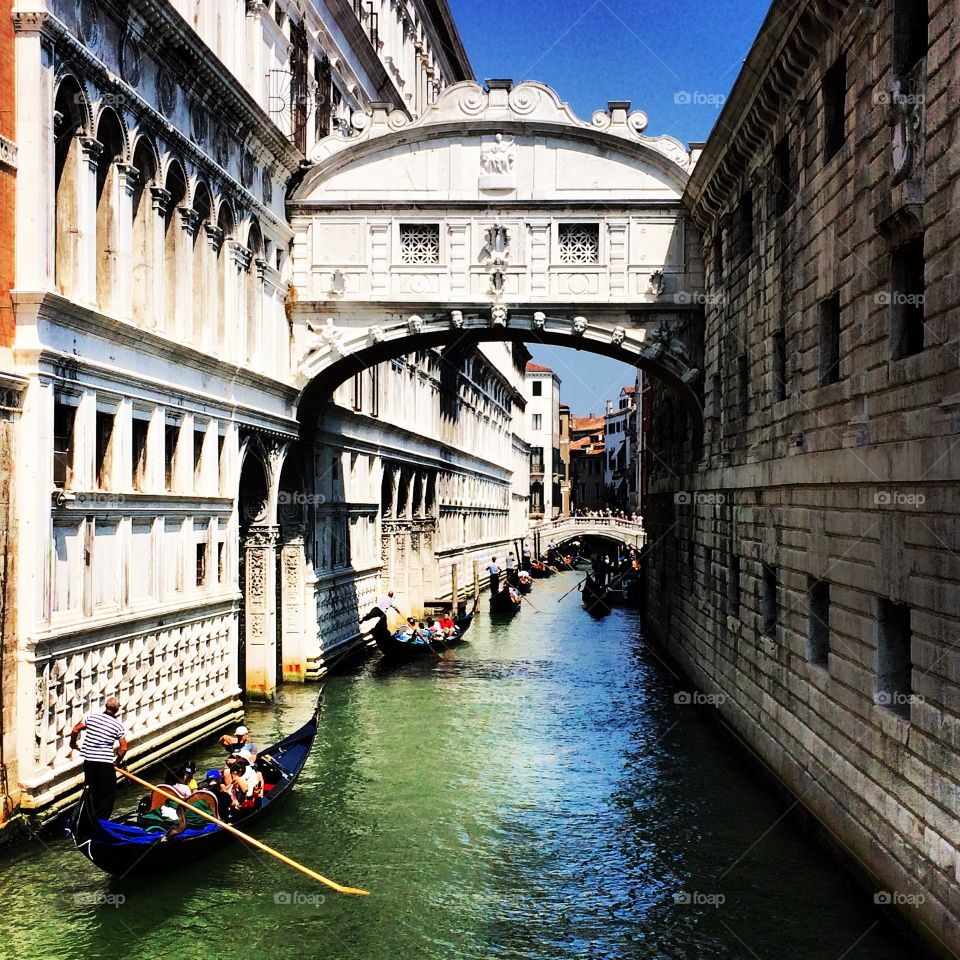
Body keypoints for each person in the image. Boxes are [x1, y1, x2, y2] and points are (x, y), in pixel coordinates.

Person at [69, 696, 128, 823]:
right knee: (107, 793)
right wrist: (117, 762)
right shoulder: (118, 726)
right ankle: (101, 822)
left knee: (90, 789)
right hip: (105, 764)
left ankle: (86, 819)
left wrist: (72, 743)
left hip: (89, 762)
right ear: (117, 709)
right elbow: (123, 748)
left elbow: (75, 729)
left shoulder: (92, 717)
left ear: (105, 706)